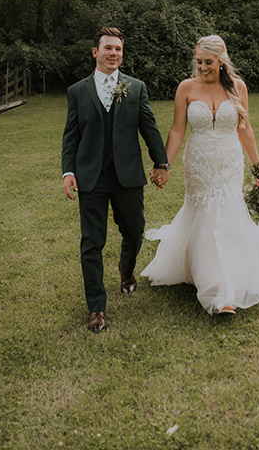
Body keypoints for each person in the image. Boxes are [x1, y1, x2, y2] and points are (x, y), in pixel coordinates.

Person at [141, 35, 259, 315]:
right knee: (204, 213)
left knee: (227, 212)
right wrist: (163, 164)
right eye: (199, 62)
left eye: (209, 62)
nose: (202, 67)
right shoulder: (186, 88)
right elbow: (178, 129)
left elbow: (244, 128)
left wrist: (257, 165)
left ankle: (226, 283)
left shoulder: (238, 87)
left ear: (221, 61)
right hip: (199, 163)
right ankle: (216, 291)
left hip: (228, 161)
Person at [62, 28, 170, 332]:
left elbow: (149, 127)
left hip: (128, 174)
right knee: (91, 242)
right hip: (91, 176)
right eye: (108, 48)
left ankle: (127, 271)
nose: (114, 53)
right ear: (95, 52)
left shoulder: (135, 88)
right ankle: (97, 307)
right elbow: (71, 135)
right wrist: (68, 171)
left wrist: (161, 162)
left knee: (134, 231)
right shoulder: (77, 91)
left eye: (118, 49)